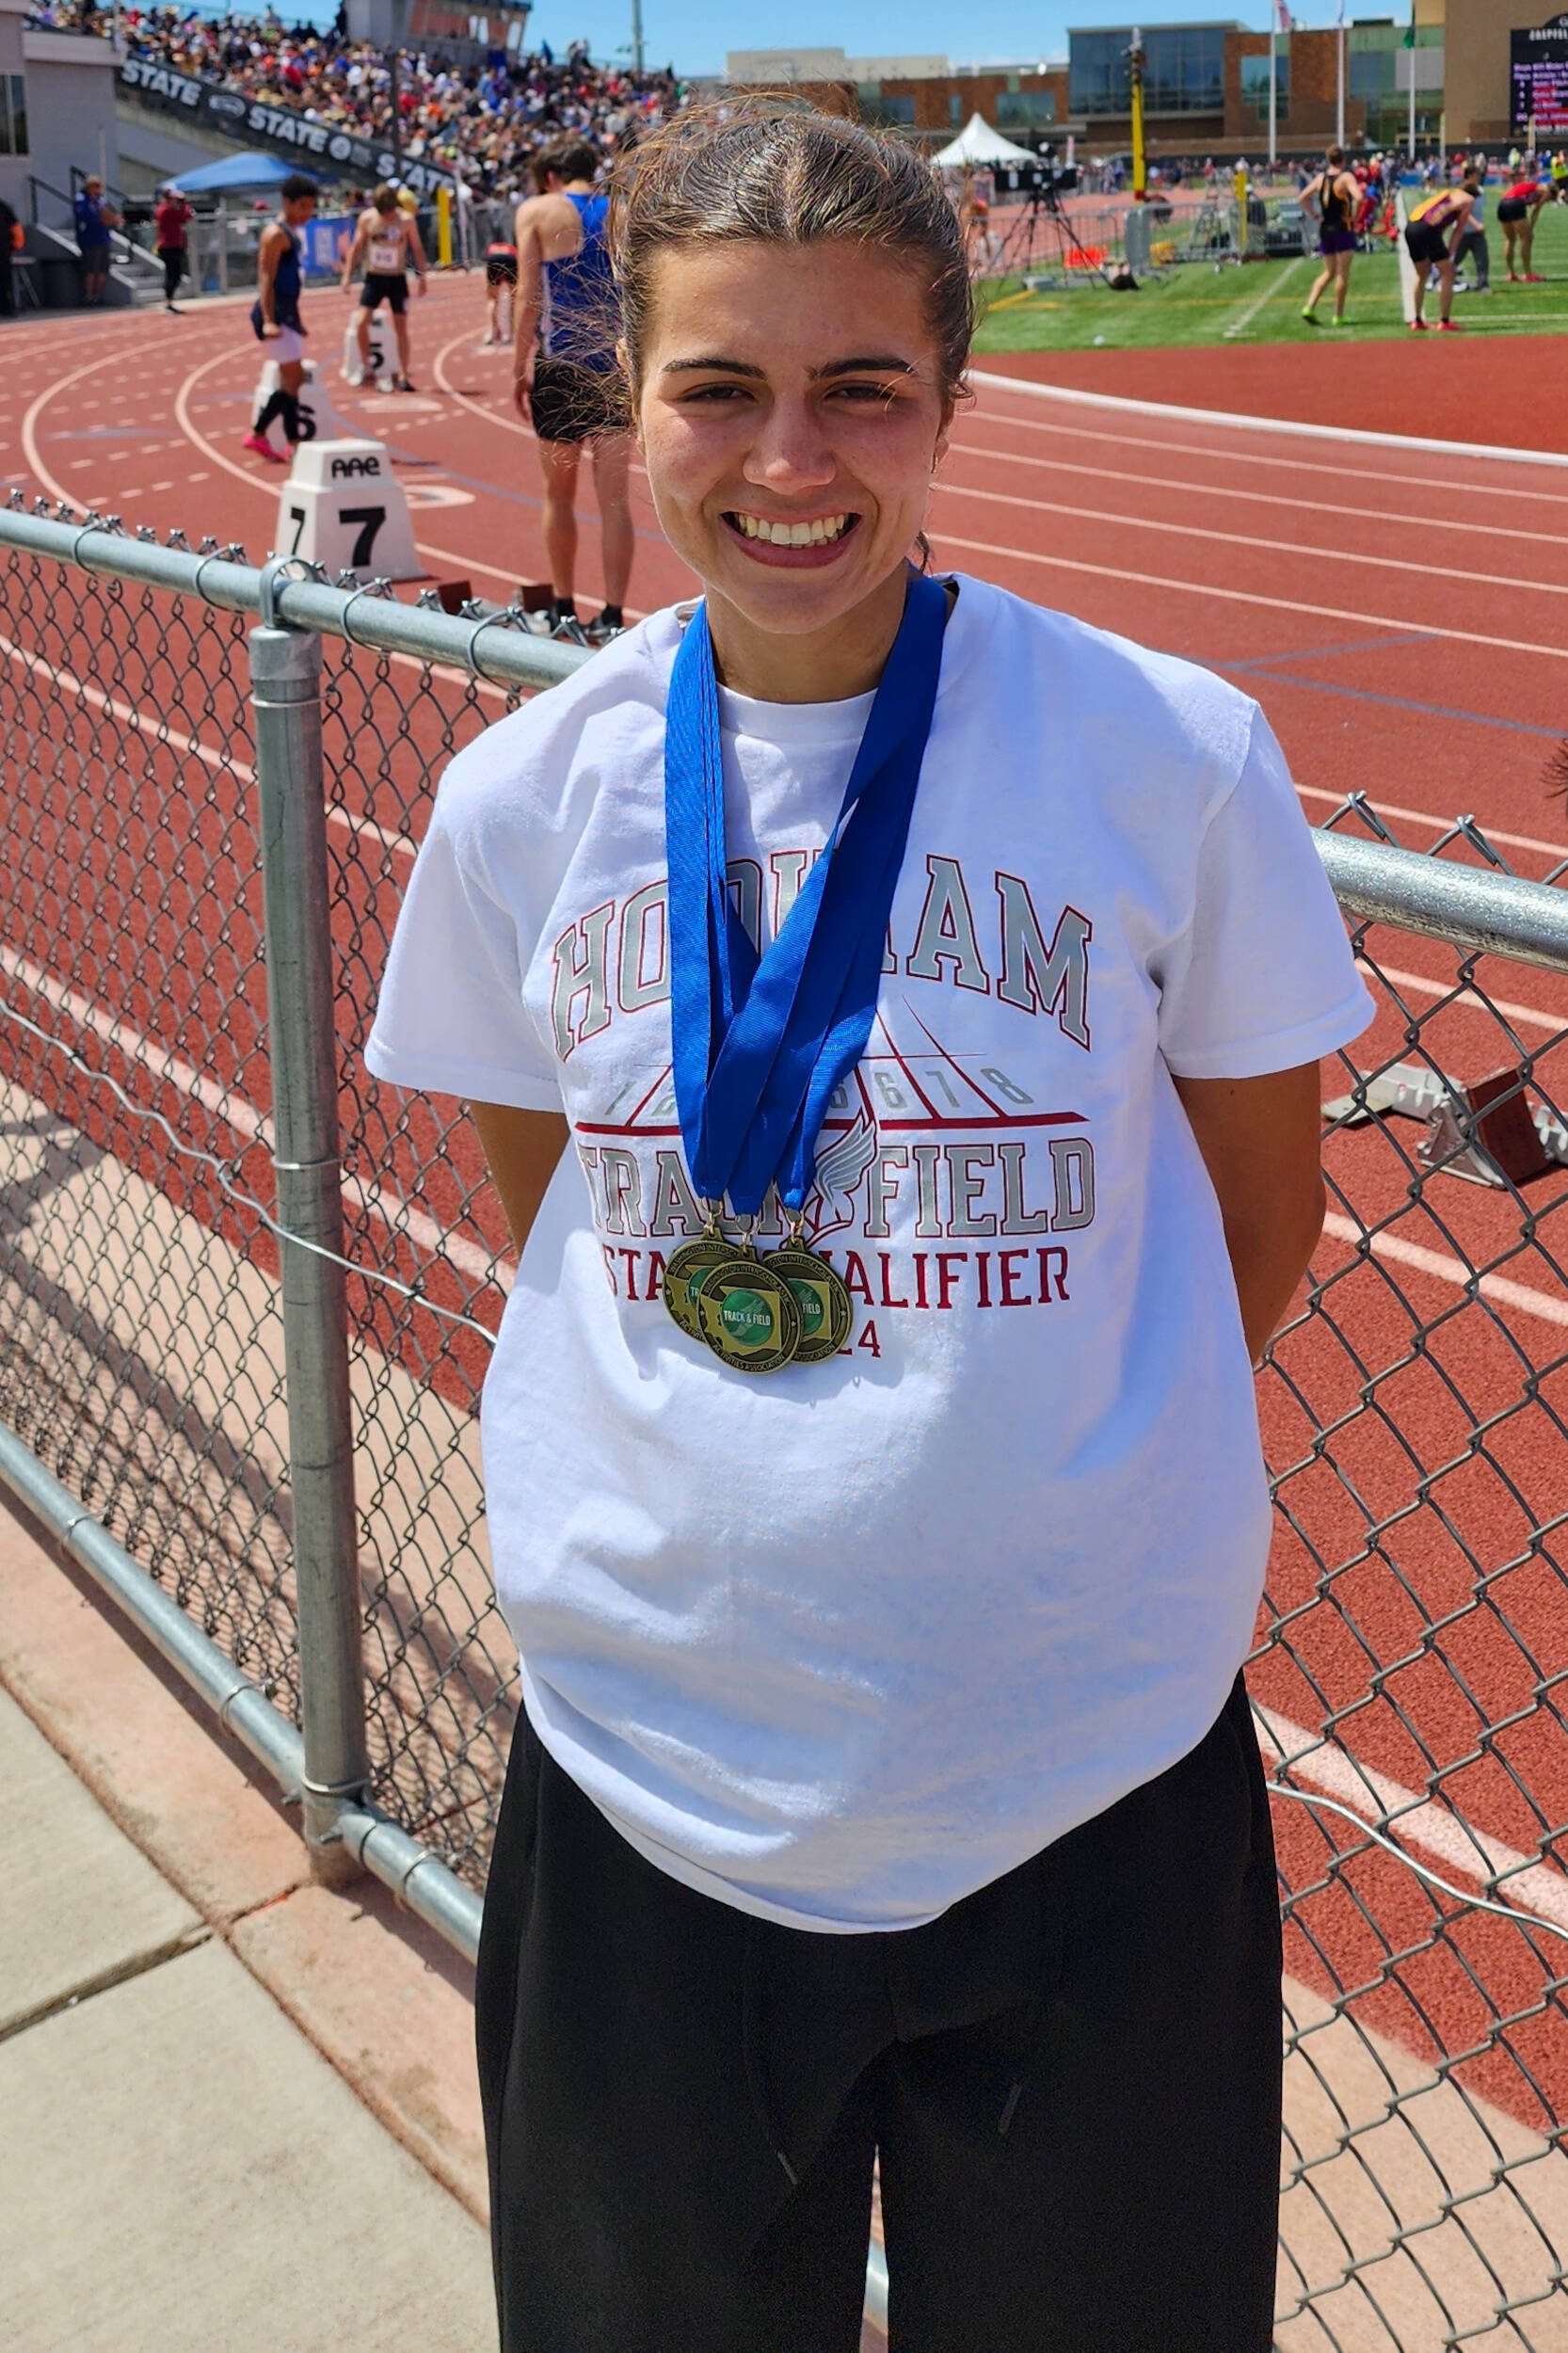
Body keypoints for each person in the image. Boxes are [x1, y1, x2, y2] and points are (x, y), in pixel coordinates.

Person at [366, 101, 1372, 2353]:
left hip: (1089, 1781)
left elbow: (1254, 1223)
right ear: (629, 397)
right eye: (719, 386)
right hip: (655, 1789)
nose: (787, 458)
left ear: (953, 407)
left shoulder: (1167, 756)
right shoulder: (526, 801)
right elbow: (564, 1213)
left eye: (862, 390)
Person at [512, 136, 632, 645]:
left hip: (561, 366)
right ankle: (612, 615)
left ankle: (563, 608)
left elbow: (529, 295)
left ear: (553, 176)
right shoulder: (624, 211)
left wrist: (519, 365)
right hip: (614, 369)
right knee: (615, 502)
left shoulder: (538, 210)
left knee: (557, 497)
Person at [242, 172, 318, 463]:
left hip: (288, 313)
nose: (307, 213)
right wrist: (270, 319)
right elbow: (266, 278)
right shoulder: (275, 235)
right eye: (303, 207)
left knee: (292, 380)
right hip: (276, 314)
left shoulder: (290, 232)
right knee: (293, 378)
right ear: (287, 202)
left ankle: (291, 441)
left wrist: (297, 320)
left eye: (311, 207)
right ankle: (261, 434)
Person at [342, 182, 427, 392]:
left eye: (390, 213)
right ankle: (366, 365)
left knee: (401, 327)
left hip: (397, 279)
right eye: (384, 214)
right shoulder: (367, 219)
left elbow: (417, 249)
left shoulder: (406, 221)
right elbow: (356, 247)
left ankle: (404, 374)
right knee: (361, 321)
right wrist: (347, 276)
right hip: (374, 278)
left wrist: (422, 278)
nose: (388, 218)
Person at [1404, 167, 1480, 331]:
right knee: (1449, 272)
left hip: (1411, 225)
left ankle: (1417, 320)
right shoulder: (1469, 200)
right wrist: (1450, 254)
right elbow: (1458, 228)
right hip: (1427, 229)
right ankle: (1444, 321)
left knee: (1422, 274)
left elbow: (1440, 221)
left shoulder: (1448, 194)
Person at [1300, 144, 1359, 325]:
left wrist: (1316, 216)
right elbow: (1361, 197)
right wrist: (1355, 217)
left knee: (1329, 272)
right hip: (1342, 228)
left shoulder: (1320, 178)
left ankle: (1309, 307)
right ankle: (1338, 316)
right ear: (1343, 159)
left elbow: (1302, 197)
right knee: (1342, 274)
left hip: (1325, 228)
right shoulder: (1346, 177)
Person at [73, 174, 119, 307]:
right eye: (96, 186)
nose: (98, 190)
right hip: (89, 239)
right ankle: (89, 296)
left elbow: (109, 216)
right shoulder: (82, 200)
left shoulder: (101, 201)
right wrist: (103, 217)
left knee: (102, 269)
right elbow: (87, 216)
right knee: (90, 270)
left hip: (103, 238)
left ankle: (97, 296)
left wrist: (112, 219)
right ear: (90, 187)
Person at [1496, 170, 1551, 280]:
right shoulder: (1546, 191)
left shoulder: (1531, 187)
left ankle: (1511, 274)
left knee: (1510, 239)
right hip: (1515, 203)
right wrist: (1531, 227)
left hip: (1503, 203)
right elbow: (1536, 211)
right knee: (1527, 238)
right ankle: (1528, 274)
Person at [1449, 154, 1490, 293]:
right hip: (1462, 232)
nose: (1479, 176)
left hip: (1476, 233)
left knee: (1482, 259)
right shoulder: (1460, 191)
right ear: (1470, 175)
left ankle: (1483, 284)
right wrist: (1476, 225)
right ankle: (1441, 280)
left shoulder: (1480, 191)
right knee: (1454, 260)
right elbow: (1463, 213)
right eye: (1477, 174)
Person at [153, 183, 194, 313]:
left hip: (175, 245)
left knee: (175, 274)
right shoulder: (165, 210)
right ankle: (167, 302)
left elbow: (187, 216)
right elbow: (185, 216)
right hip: (168, 246)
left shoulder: (169, 209)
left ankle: (168, 302)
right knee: (173, 275)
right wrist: (184, 204)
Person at [484, 227, 518, 345]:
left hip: (492, 259)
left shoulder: (490, 248)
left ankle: (490, 332)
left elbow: (487, 284)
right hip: (511, 259)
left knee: (491, 300)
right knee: (514, 298)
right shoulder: (511, 248)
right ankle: (512, 334)